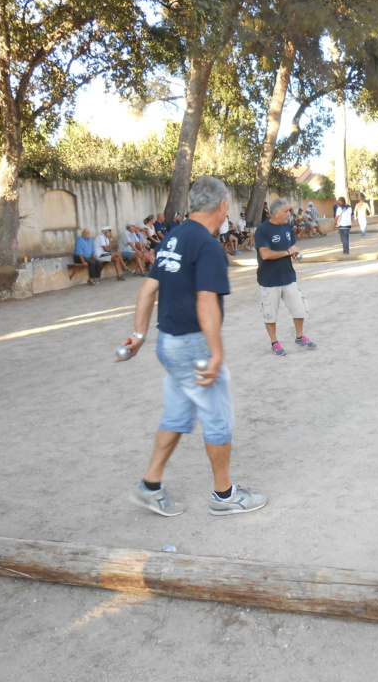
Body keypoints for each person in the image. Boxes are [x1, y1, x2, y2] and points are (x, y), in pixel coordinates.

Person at [124, 175, 266, 518]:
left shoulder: (173, 237)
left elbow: (147, 290)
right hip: (193, 348)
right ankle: (224, 495)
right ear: (221, 206)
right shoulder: (207, 246)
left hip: (168, 344)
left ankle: (150, 485)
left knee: (177, 414)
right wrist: (216, 353)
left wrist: (140, 336)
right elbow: (206, 302)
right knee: (217, 419)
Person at [255, 197, 317, 356]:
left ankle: (300, 336)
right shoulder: (263, 230)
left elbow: (290, 246)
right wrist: (288, 252)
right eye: (286, 211)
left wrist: (294, 253)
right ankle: (274, 342)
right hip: (269, 280)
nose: (290, 213)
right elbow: (265, 254)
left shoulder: (287, 227)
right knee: (270, 314)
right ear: (276, 213)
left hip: (288, 276)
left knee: (300, 309)